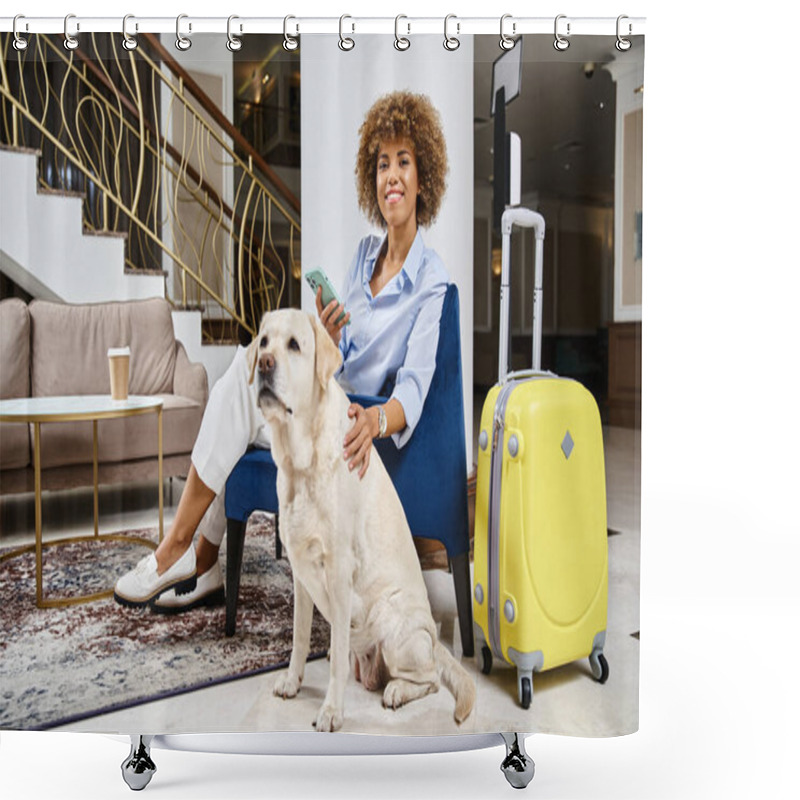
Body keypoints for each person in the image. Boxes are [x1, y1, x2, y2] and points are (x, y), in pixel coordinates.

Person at [114, 90, 451, 611]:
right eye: (383, 164)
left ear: (422, 177)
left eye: (404, 163)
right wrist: (329, 336)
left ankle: (181, 550)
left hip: (356, 418)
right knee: (245, 384)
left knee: (244, 391)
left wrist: (377, 421)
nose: (392, 176)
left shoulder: (432, 281)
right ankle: (198, 557)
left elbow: (415, 386)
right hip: (327, 394)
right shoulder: (365, 256)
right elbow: (340, 353)